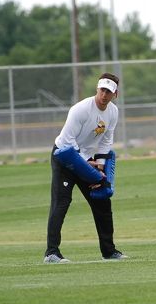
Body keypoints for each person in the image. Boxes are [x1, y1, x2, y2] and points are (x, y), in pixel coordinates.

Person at [44, 73, 127, 263]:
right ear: (97, 89)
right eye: (102, 90)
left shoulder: (113, 112)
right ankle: (51, 253)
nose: (104, 95)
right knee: (61, 202)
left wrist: (102, 169)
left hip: (86, 159)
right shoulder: (80, 109)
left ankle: (109, 251)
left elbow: (106, 141)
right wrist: (85, 162)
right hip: (64, 156)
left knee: (102, 201)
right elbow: (67, 141)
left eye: (109, 92)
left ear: (116, 94)